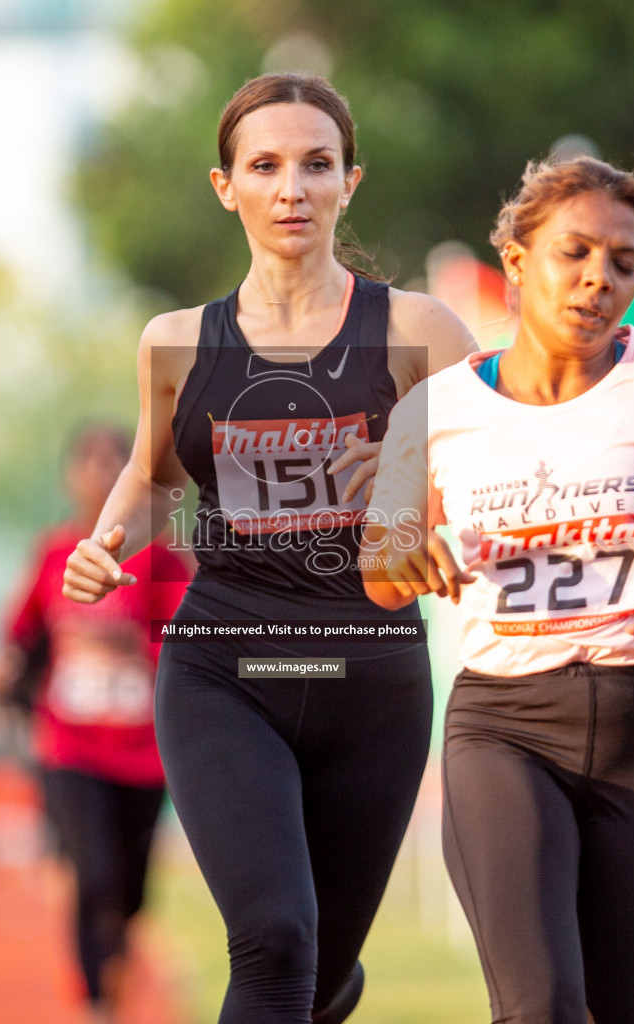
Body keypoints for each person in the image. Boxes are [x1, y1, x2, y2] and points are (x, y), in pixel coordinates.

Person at [62, 72, 475, 1024]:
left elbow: (498, 471)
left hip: (371, 675)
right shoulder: (175, 342)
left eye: (315, 164)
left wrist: (418, 493)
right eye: (266, 165)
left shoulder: (420, 331)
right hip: (226, 667)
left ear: (349, 182)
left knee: (320, 974)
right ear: (226, 186)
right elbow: (155, 473)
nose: (292, 187)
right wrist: (105, 544)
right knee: (277, 942)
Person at [361, 156, 634, 1024]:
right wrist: (408, 560)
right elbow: (379, 567)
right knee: (542, 1008)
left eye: (625, 263)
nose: (601, 280)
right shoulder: (437, 407)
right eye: (576, 253)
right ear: (518, 260)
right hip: (504, 729)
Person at [0, 421, 190, 1021]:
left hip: (142, 752)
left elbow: (185, 644)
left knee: (129, 891)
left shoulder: (160, 560)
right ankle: (95, 1003)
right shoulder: (54, 553)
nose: (103, 472)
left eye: (116, 460)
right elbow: (22, 629)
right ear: (71, 475)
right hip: (70, 746)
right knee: (95, 873)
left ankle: (113, 963)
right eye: (90, 460)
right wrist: (5, 670)